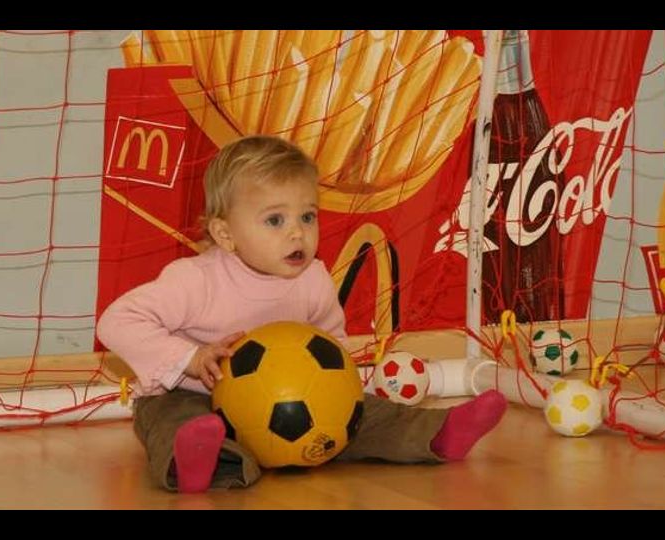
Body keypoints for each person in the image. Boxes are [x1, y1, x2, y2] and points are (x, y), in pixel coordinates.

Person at [97, 135, 507, 493]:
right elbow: (116, 322)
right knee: (176, 422)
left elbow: (331, 342)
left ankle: (437, 433)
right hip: (193, 395)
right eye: (275, 219)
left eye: (307, 216)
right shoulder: (194, 281)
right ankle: (199, 463)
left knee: (367, 413)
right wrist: (190, 359)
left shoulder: (313, 279)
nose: (297, 232)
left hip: (297, 406)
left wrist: (336, 389)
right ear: (225, 234)